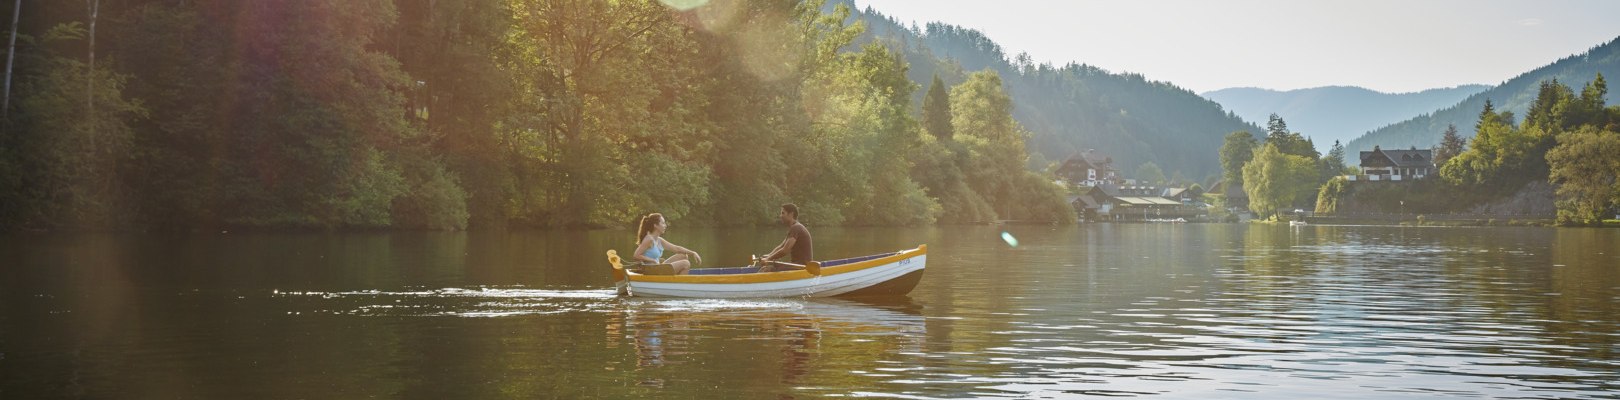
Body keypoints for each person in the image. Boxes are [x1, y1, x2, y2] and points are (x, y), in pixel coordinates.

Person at [633, 213, 699, 275]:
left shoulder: (659, 240)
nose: (665, 225)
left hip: (658, 267)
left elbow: (676, 248)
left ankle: (674, 282)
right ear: (655, 225)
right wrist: (652, 260)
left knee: (683, 256)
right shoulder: (649, 239)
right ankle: (679, 284)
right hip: (652, 270)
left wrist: (693, 253)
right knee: (686, 263)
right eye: (663, 223)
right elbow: (636, 255)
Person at [758, 203, 813, 272]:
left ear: (791, 214)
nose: (780, 216)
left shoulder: (796, 228)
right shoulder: (794, 228)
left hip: (802, 266)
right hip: (796, 265)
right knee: (768, 266)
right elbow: (781, 246)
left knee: (766, 269)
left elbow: (785, 250)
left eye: (783, 213)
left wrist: (768, 259)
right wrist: (769, 256)